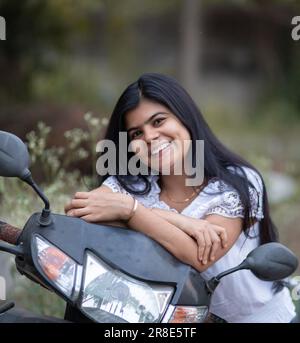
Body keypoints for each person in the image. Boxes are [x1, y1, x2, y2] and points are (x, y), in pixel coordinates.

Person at [65, 73, 296, 323]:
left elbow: (199, 256)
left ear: (185, 118)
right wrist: (181, 221)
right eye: (136, 133)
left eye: (159, 121)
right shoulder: (134, 186)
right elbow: (77, 213)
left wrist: (131, 212)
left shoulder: (237, 182)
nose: (150, 137)